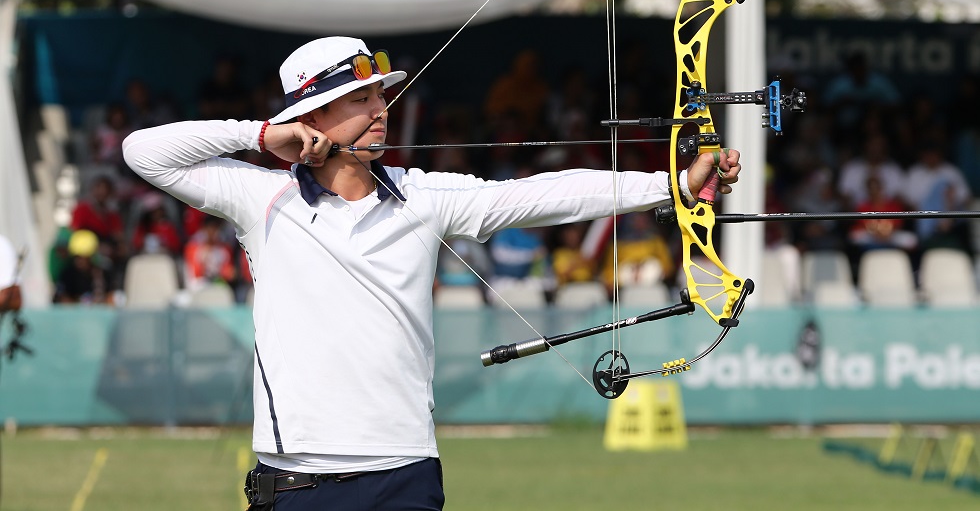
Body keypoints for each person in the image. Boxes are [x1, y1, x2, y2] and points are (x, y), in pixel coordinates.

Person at [122, 36, 741, 511]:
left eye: (381, 95)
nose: (380, 109)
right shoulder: (259, 199)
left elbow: (541, 195)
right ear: (312, 116)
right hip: (299, 479)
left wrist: (672, 183)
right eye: (360, 99)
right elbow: (142, 151)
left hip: (406, 473)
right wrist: (261, 135)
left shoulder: (425, 195)